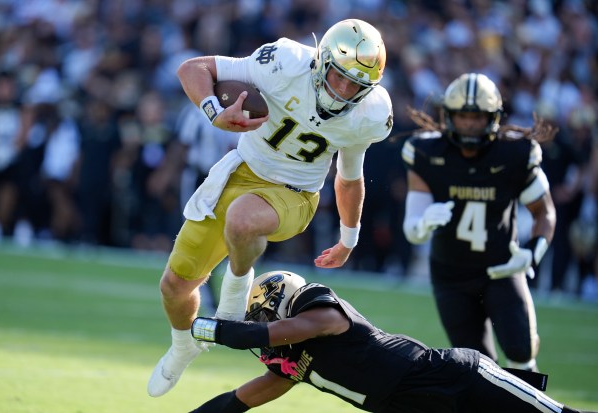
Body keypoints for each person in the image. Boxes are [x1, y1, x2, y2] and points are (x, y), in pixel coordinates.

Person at [147, 19, 393, 397]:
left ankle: (232, 299)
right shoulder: (284, 61)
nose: (343, 90)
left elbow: (348, 177)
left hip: (295, 194)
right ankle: (183, 347)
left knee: (243, 218)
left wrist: (349, 236)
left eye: (355, 85)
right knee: (174, 287)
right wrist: (214, 110)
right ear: (321, 60)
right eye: (339, 76)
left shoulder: (370, 114)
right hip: (241, 173)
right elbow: (193, 69)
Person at [188, 270, 594, 413]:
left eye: (261, 313)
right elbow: (239, 400)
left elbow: (261, 334)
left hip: (456, 377)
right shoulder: (293, 363)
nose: (261, 327)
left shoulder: (323, 315)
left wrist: (202, 327)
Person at [400, 73, 557, 371]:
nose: (469, 123)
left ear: (493, 117)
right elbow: (412, 230)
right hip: (451, 277)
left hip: (500, 269)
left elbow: (545, 211)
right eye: (462, 116)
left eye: (476, 116)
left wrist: (531, 253)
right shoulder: (426, 152)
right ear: (448, 116)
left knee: (521, 354)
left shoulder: (513, 154)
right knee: (477, 369)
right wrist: (422, 225)